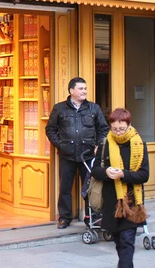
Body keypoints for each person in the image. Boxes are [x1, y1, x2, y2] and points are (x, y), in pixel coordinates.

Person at [45, 76, 108, 229]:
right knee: (65, 188)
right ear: (71, 90)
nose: (84, 91)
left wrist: (98, 146)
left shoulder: (94, 108)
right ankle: (65, 218)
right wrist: (60, 145)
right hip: (67, 155)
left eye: (85, 88)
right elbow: (50, 129)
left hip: (88, 155)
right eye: (81, 88)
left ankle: (90, 217)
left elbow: (103, 129)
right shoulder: (60, 108)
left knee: (90, 188)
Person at [91, 108, 149, 268]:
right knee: (118, 241)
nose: (117, 132)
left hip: (131, 202)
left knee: (127, 241)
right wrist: (106, 172)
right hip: (112, 202)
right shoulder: (105, 144)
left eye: (121, 129)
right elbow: (95, 171)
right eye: (114, 129)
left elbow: (144, 175)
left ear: (129, 125)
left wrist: (123, 174)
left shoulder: (138, 144)